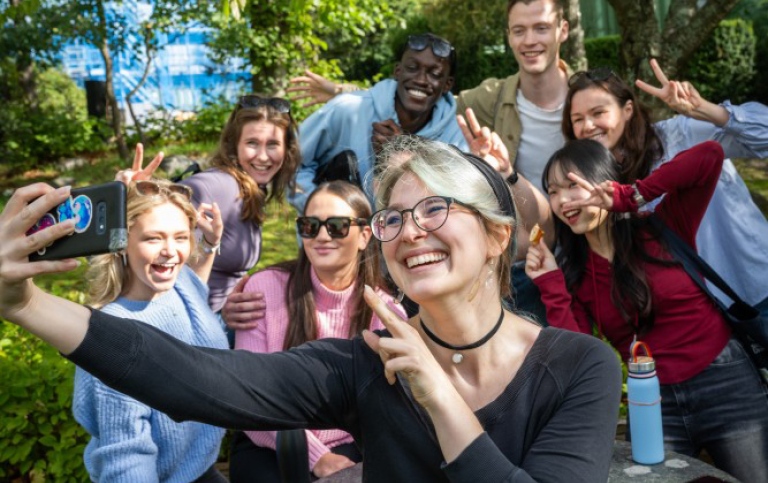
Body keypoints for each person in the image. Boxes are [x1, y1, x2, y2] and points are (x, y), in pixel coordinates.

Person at [0, 138, 622, 483]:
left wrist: (439, 396)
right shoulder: (366, 367)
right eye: (394, 219)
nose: (410, 232)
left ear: (494, 236)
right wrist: (24, 303)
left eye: (435, 209)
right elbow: (193, 377)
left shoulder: (579, 368)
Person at [526, 139, 768, 482]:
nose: (563, 200)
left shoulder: (664, 225)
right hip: (651, 403)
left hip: (726, 382)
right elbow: (578, 353)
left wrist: (631, 195)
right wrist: (551, 282)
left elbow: (709, 156)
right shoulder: (576, 275)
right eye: (552, 191)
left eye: (573, 185)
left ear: (603, 181)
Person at [229, 181, 405, 481]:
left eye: (336, 226)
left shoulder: (385, 312)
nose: (322, 236)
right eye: (310, 225)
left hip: (352, 443)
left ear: (364, 236)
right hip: (269, 439)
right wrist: (316, 456)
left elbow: (384, 411)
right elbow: (249, 396)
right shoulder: (264, 289)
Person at [563, 62, 768, 314]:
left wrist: (705, 109)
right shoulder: (595, 184)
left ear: (627, 110)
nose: (588, 126)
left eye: (598, 113)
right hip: (698, 313)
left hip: (753, 287)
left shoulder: (679, 135)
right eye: (578, 119)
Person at [73, 178, 229, 482]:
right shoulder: (113, 338)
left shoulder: (179, 284)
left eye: (181, 237)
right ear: (122, 242)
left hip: (202, 467)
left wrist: (210, 246)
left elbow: (196, 289)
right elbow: (126, 460)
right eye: (153, 239)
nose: (171, 252)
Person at [288, 33, 468, 214]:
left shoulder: (456, 139)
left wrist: (408, 152)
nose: (421, 80)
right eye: (412, 68)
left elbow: (460, 205)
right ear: (398, 71)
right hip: (333, 237)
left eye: (435, 74)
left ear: (447, 84)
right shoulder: (348, 108)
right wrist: (321, 214)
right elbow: (290, 160)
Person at [175, 95, 300, 315]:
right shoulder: (220, 185)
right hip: (192, 330)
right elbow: (160, 209)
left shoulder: (250, 189)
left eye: (273, 144)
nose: (262, 156)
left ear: (286, 149)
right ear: (235, 145)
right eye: (252, 143)